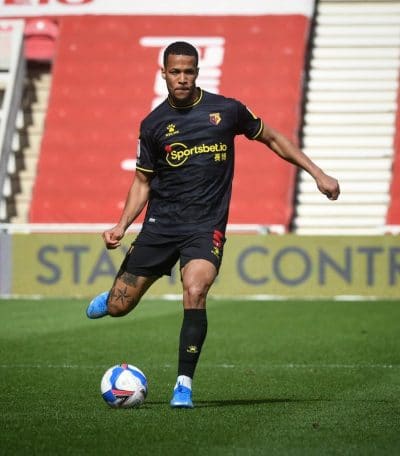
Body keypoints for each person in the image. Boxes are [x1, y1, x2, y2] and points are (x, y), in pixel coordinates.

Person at [86, 41, 340, 408]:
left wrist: (318, 173)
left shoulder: (227, 110)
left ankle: (183, 385)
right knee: (119, 306)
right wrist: (122, 225)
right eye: (175, 72)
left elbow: (272, 138)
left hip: (205, 227)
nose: (182, 78)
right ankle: (109, 302)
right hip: (160, 226)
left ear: (197, 73)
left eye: (189, 71)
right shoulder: (153, 125)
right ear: (163, 73)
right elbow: (142, 182)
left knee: (196, 288)